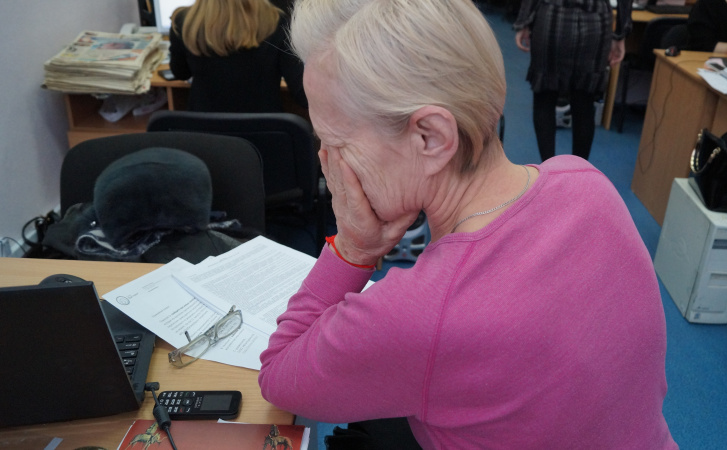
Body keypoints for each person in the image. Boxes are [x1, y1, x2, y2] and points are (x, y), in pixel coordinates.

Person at [258, 1, 677, 448]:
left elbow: (278, 375)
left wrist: (353, 249)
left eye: (335, 142)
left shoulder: (424, 313)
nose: (326, 162)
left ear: (431, 138)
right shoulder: (584, 181)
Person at [513, 0, 632, 161]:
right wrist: (620, 34)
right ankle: (579, 170)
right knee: (584, 102)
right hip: (595, 19)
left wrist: (524, 20)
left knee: (545, 96)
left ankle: (549, 168)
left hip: (552, 16)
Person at [167, 0, 306, 113]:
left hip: (204, 131)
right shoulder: (277, 22)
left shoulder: (184, 21)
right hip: (262, 131)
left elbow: (181, 73)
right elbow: (301, 93)